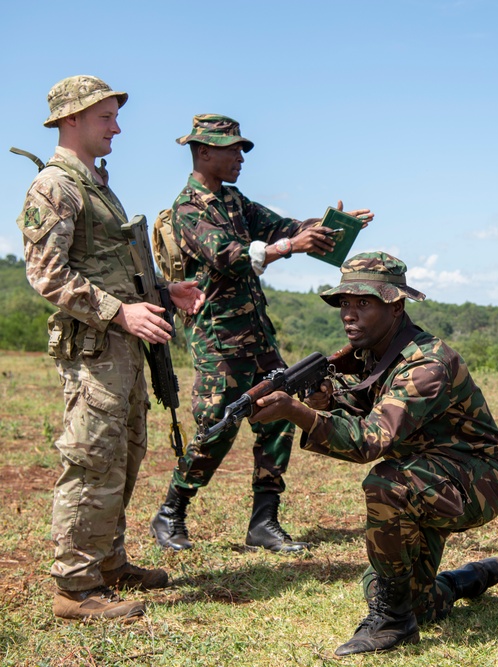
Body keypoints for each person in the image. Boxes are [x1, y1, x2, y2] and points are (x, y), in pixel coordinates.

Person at [247, 251, 498, 656]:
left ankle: (392, 624)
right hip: (428, 473)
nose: (349, 315)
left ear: (395, 306)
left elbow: (370, 440)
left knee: (386, 482)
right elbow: (365, 404)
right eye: (345, 303)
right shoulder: (374, 353)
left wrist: (299, 412)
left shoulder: (426, 363)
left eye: (363, 303)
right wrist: (327, 398)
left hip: (478, 477)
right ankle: (466, 579)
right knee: (382, 586)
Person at [15, 75, 205, 621]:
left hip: (121, 347)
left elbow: (107, 267)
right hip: (96, 346)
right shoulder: (56, 186)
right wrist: (120, 311)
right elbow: (46, 275)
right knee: (91, 457)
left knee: (124, 453)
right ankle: (74, 588)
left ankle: (107, 563)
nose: (117, 127)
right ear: (71, 119)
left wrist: (162, 293)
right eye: (106, 117)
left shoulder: (94, 183)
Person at [149, 114, 372, 553]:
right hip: (218, 339)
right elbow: (228, 257)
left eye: (241, 149)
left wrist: (325, 226)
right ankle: (172, 511)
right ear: (203, 151)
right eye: (231, 149)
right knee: (218, 425)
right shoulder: (189, 209)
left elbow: (283, 228)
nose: (240, 157)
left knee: (279, 411)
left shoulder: (234, 200)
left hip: (257, 334)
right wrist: (290, 247)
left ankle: (263, 522)